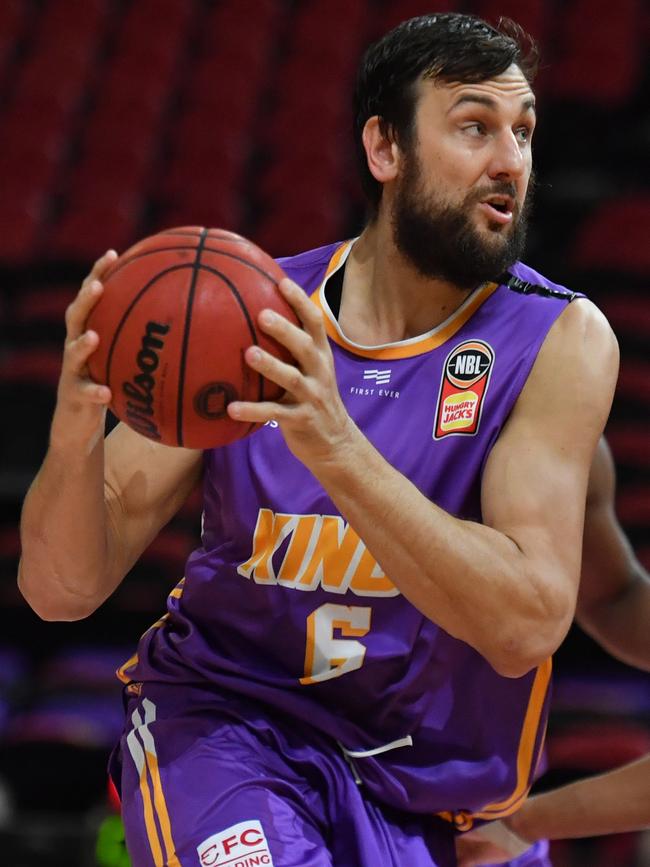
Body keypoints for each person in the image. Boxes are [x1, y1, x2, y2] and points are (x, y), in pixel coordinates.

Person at [18, 14, 619, 867]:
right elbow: (59, 590)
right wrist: (76, 435)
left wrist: (337, 446)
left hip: (440, 796)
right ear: (384, 148)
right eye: (476, 126)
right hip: (232, 733)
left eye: (523, 132)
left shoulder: (559, 337)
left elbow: (525, 623)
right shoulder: (247, 313)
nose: (511, 161)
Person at [456, 436, 650, 865]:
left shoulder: (565, 431)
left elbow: (615, 599)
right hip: (310, 749)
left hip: (474, 789)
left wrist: (521, 824)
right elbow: (616, 599)